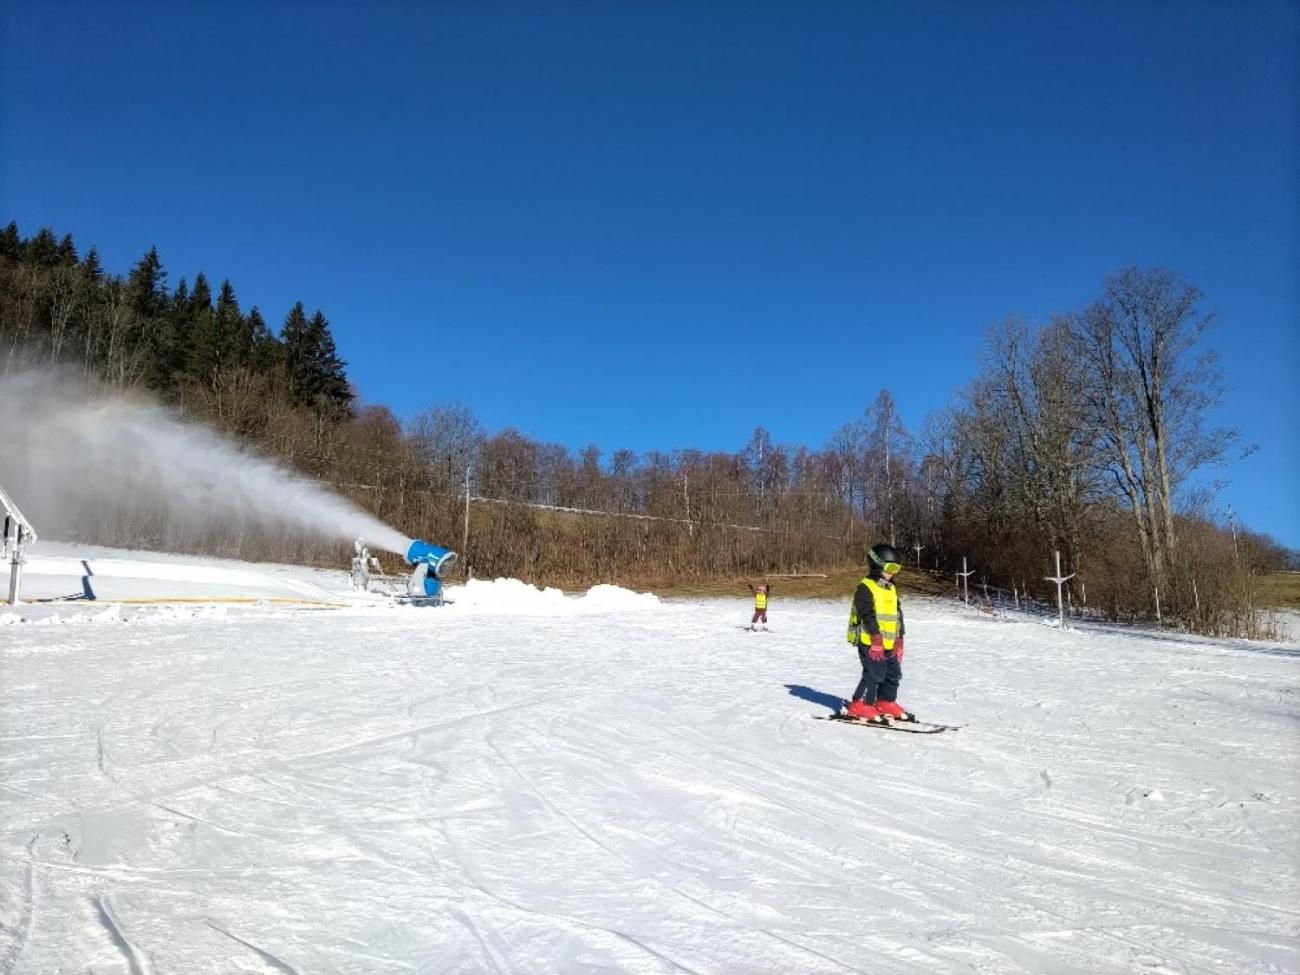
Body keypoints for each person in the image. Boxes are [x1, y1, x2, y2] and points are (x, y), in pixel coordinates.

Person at [843, 544, 913, 722]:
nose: (894, 573)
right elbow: (866, 614)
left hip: (889, 643)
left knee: (893, 674)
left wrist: (900, 638)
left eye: (897, 569)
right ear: (877, 564)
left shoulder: (890, 588)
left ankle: (885, 702)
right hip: (870, 641)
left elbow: (897, 615)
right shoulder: (865, 587)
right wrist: (875, 637)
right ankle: (859, 704)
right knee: (874, 674)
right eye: (890, 568)